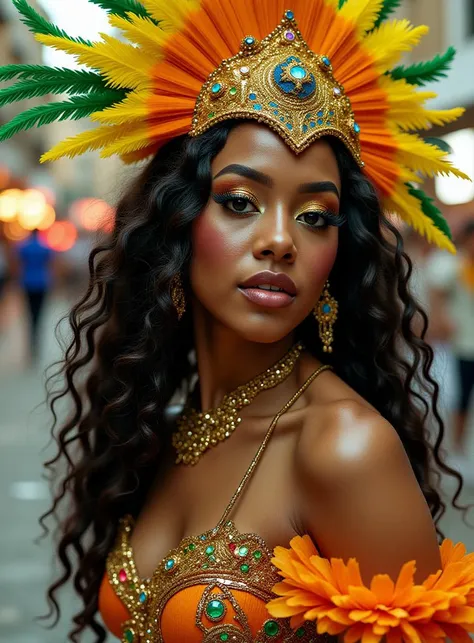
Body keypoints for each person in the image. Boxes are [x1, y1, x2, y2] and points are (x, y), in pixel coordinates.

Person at [2, 1, 474, 642]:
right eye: (241, 202)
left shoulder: (344, 448)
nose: (280, 240)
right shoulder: (171, 425)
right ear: (175, 223)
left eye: (315, 216)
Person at [426, 221, 474, 477]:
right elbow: (436, 291)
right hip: (464, 346)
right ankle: (457, 449)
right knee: (461, 400)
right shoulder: (453, 267)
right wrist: (441, 317)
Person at [16, 228, 54, 361]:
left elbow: (18, 263)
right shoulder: (45, 247)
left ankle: (31, 340)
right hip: (42, 282)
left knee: (29, 312)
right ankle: (36, 339)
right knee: (39, 313)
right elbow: (51, 263)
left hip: (27, 282)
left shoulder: (23, 247)